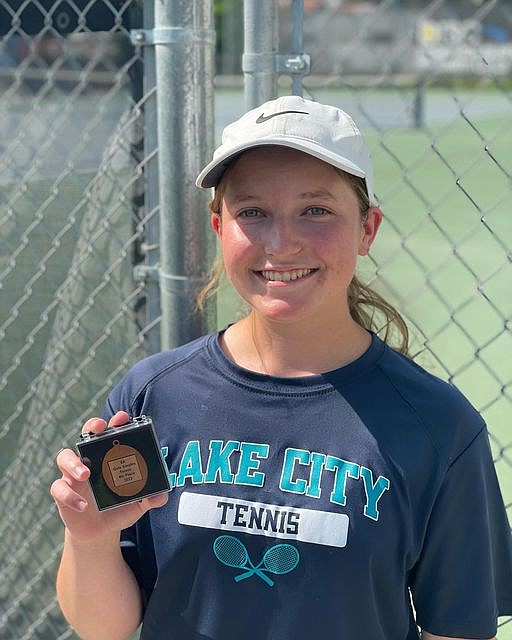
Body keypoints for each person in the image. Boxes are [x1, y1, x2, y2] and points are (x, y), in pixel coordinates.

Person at [51, 96, 512, 640]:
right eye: (252, 212)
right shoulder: (153, 395)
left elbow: (454, 629)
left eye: (316, 210)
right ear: (220, 228)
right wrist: (91, 542)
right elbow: (107, 629)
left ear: (367, 229)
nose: (282, 241)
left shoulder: (437, 425)